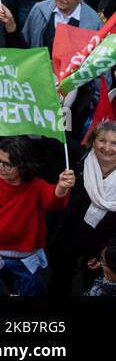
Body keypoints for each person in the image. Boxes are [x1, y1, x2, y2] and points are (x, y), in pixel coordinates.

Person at [0, 136, 76, 296]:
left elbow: (54, 200)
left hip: (22, 263)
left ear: (23, 166)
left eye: (7, 164)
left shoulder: (37, 187)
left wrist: (62, 186)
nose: (0, 167)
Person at [49, 120, 116, 296]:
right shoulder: (78, 160)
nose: (107, 147)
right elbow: (56, 137)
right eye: (102, 140)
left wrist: (106, 251)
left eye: (114, 143)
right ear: (93, 141)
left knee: (90, 286)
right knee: (58, 282)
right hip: (66, 237)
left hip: (100, 247)